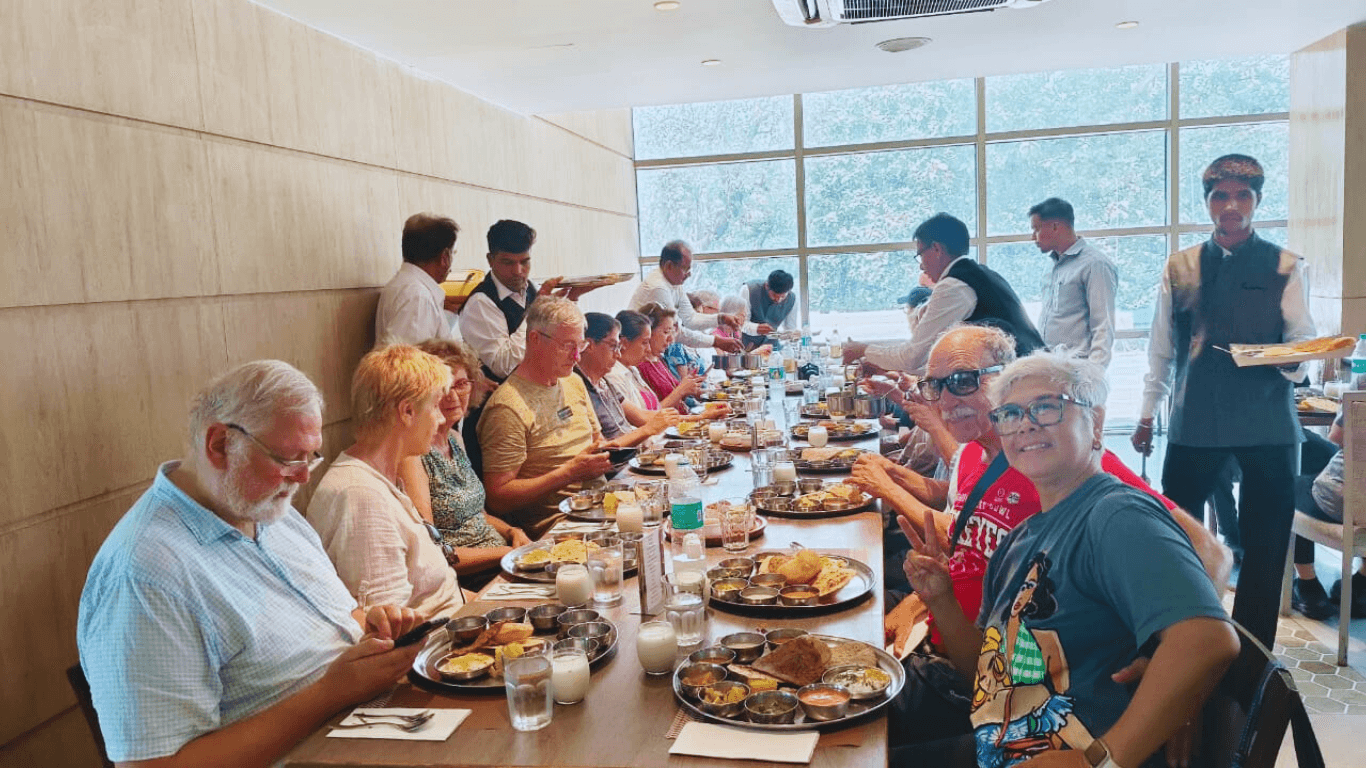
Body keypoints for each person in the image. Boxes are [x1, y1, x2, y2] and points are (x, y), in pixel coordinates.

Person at [897, 350, 1238, 768]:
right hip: (1002, 745)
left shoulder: (1115, 515)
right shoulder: (1020, 538)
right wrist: (942, 600)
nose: (1026, 425)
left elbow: (1209, 640)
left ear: (1094, 422)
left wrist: (1102, 760)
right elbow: (986, 678)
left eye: (1047, 408)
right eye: (1011, 414)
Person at [77, 361, 425, 767]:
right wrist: (331, 693)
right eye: (287, 458)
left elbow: (335, 617)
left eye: (311, 457)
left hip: (377, 728)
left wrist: (374, 625)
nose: (302, 477)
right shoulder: (145, 576)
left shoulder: (267, 508)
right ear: (221, 444)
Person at [852, 326, 1226, 658]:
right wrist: (923, 603)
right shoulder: (973, 455)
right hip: (945, 634)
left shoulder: (1061, 460)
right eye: (935, 385)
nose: (947, 402)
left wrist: (1161, 651)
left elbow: (1210, 553)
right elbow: (967, 552)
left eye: (965, 380)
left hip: (1002, 680)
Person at [1132, 154, 1317, 647]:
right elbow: (1162, 349)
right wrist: (1147, 414)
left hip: (1269, 427)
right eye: (1220, 196)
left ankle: (1255, 651)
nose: (1231, 205)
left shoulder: (1286, 265)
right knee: (1180, 540)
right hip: (1195, 423)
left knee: (1266, 545)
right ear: (1208, 202)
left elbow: (1303, 344)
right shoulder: (1180, 267)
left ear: (1257, 201)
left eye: (1242, 195)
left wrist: (1288, 361)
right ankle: (1188, 638)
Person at [308, 345, 467, 617]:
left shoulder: (382, 479)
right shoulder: (360, 497)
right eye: (435, 407)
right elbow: (390, 633)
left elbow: (438, 596)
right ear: (407, 412)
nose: (441, 418)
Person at [396, 340, 531, 588]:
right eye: (443, 387)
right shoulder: (412, 455)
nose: (453, 396)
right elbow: (433, 549)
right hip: (469, 580)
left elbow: (478, 515)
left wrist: (512, 532)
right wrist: (506, 553)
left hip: (500, 560)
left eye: (461, 384)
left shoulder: (455, 438)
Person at [477, 296, 614, 538]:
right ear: (535, 339)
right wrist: (568, 474)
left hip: (600, 506)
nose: (576, 357)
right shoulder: (507, 408)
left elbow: (597, 441)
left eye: (579, 346)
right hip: (560, 526)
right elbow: (498, 498)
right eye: (566, 346)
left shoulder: (572, 381)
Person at [843, 213, 1044, 374]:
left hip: (1025, 381)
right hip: (1031, 371)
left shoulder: (954, 287)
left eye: (920, 254)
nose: (921, 265)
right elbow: (933, 359)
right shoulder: (981, 274)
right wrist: (885, 367)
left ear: (937, 249)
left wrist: (862, 350)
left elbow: (913, 356)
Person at [458, 219, 596, 384]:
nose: (518, 271)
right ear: (490, 260)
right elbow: (503, 366)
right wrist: (536, 311)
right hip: (502, 403)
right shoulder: (480, 303)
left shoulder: (530, 289)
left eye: (524, 262)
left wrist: (573, 297)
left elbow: (554, 342)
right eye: (507, 262)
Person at [1291, 410, 1366, 619]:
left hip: (1338, 503)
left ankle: (1308, 588)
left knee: (1293, 488)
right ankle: (1360, 587)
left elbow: (1336, 437)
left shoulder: (1361, 395)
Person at [1028, 197, 1119, 368]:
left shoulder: (1095, 264)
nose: (1033, 237)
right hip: (1050, 366)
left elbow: (1103, 326)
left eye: (1037, 229)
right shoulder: (1052, 267)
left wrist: (1093, 376)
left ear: (1055, 226)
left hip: (1078, 369)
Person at [577, 312, 681, 443]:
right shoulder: (580, 384)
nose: (618, 353)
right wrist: (647, 430)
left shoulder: (604, 382)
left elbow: (642, 415)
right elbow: (602, 446)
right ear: (590, 345)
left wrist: (700, 417)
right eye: (613, 346)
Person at [629, 240, 743, 353]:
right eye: (685, 269)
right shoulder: (658, 288)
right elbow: (676, 332)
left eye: (690, 269)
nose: (689, 274)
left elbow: (690, 318)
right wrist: (716, 341)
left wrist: (721, 318)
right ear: (669, 266)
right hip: (641, 350)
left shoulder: (672, 281)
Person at [375, 212, 462, 346]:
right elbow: (410, 362)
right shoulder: (418, 297)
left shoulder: (407, 286)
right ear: (444, 257)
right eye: (453, 253)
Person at [606, 309, 702, 421]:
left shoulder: (632, 370)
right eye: (645, 342)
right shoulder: (616, 376)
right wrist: (682, 392)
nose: (648, 349)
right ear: (624, 343)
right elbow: (647, 419)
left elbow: (654, 410)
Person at [634, 302, 703, 413]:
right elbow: (651, 413)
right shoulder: (638, 367)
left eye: (671, 332)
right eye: (666, 332)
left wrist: (690, 387)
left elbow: (676, 394)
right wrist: (682, 390)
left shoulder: (658, 360)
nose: (671, 339)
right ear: (648, 332)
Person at [738, 269, 799, 349]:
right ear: (767, 286)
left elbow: (790, 328)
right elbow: (741, 323)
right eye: (774, 295)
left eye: (782, 297)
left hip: (773, 349)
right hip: (748, 348)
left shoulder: (792, 299)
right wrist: (757, 328)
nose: (778, 300)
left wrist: (791, 336)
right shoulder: (748, 290)